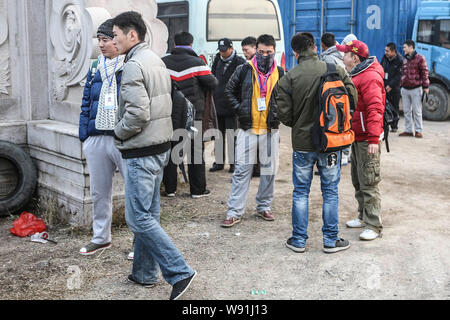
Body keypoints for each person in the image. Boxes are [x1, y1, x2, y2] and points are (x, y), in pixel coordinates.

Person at [112, 11, 196, 300]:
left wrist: (117, 132)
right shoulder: (155, 59)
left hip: (141, 150)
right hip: (159, 148)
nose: (113, 40)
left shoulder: (134, 65)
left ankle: (180, 271)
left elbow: (136, 114)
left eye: (115, 34)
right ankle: (145, 273)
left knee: (139, 220)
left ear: (131, 35)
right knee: (150, 214)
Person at [277, 32, 357, 253]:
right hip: (330, 142)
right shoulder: (334, 69)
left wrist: (299, 122)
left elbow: (283, 114)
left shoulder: (289, 77)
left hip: (303, 143)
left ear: (295, 52)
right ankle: (331, 241)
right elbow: (352, 97)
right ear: (314, 47)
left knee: (301, 191)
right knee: (330, 191)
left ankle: (299, 241)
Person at [221, 34, 284, 228]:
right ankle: (234, 211)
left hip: (269, 130)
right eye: (262, 51)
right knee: (241, 171)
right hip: (248, 129)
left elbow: (286, 98)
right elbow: (229, 90)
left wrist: (279, 113)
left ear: (274, 51)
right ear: (256, 50)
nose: (265, 55)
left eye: (269, 52)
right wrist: (240, 109)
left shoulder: (281, 73)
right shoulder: (244, 69)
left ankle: (264, 206)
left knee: (268, 172)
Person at [78, 19, 127, 256]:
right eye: (99, 40)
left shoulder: (130, 64)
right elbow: (86, 101)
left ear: (117, 41)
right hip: (97, 136)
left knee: (135, 193)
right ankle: (101, 237)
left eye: (105, 40)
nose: (101, 44)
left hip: (123, 138)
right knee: (99, 192)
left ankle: (141, 241)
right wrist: (84, 136)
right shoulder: (95, 66)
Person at [337, 39, 385, 241]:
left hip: (368, 138)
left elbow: (375, 109)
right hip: (358, 135)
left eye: (345, 54)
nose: (342, 57)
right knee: (358, 178)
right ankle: (363, 216)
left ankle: (374, 224)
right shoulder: (356, 74)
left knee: (369, 181)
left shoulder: (370, 77)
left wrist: (374, 138)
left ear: (354, 57)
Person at [162, 32, 218, 198]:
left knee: (171, 151)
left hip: (169, 115)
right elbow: (213, 83)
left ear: (174, 44)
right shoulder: (198, 63)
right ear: (191, 44)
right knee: (195, 153)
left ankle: (170, 189)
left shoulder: (163, 63)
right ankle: (197, 190)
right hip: (194, 116)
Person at [209, 38, 246, 173]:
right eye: (221, 50)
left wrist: (238, 103)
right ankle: (219, 162)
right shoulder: (218, 60)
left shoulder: (240, 62)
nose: (222, 53)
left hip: (232, 106)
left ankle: (233, 164)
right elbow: (213, 77)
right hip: (218, 104)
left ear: (231, 48)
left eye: (224, 50)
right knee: (218, 136)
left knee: (232, 136)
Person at [320, 32, 351, 166]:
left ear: (322, 45)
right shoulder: (344, 56)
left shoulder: (327, 59)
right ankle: (346, 154)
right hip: (345, 96)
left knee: (332, 126)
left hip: (332, 97)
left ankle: (338, 156)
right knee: (345, 123)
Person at [399, 40, 430, 138]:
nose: (403, 49)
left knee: (417, 111)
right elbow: (402, 73)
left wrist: (426, 86)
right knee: (406, 111)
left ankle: (418, 130)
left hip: (416, 88)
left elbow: (424, 72)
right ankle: (408, 130)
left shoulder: (420, 58)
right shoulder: (404, 59)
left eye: (405, 47)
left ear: (411, 47)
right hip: (405, 88)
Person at [381, 42, 403, 132]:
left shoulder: (400, 60)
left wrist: (391, 85)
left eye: (387, 51)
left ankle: (394, 126)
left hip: (394, 88)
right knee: (384, 106)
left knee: (394, 107)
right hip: (384, 86)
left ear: (393, 51)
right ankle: (385, 124)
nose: (385, 52)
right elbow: (380, 67)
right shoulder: (385, 58)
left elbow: (399, 75)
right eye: (385, 50)